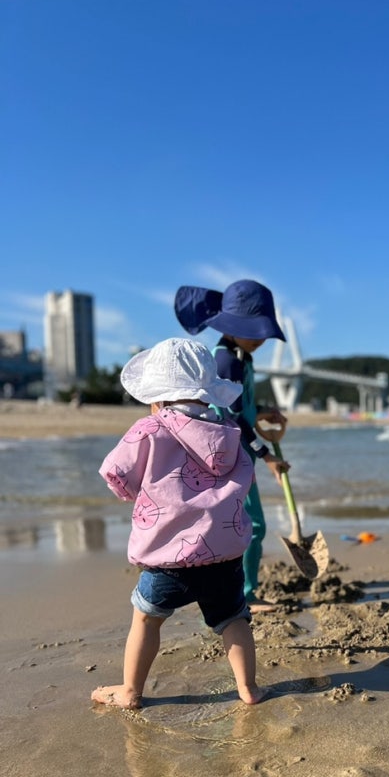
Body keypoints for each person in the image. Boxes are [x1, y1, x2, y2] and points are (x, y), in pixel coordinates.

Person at [91, 337, 265, 710]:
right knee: (234, 619)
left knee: (146, 619)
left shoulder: (150, 429)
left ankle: (130, 691)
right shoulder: (227, 432)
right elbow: (245, 475)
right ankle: (248, 688)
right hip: (223, 557)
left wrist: (136, 491)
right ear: (209, 394)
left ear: (157, 397)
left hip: (167, 558)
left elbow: (115, 472)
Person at [174, 279, 288, 612]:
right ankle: (245, 595)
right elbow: (234, 417)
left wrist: (263, 411)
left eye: (262, 332)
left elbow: (242, 406)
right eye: (253, 331)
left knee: (238, 523)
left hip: (238, 451)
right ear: (231, 326)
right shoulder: (226, 361)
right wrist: (267, 455)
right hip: (227, 455)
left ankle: (234, 591)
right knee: (251, 525)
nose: (260, 339)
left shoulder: (241, 358)